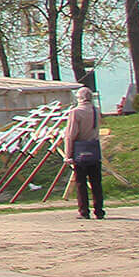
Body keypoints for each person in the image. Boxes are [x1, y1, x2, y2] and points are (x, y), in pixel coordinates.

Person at [62, 85, 105, 220]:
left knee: (81, 182)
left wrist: (68, 154)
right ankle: (99, 210)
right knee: (96, 182)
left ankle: (84, 211)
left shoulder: (75, 112)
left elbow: (70, 134)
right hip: (94, 148)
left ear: (79, 98)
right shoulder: (96, 111)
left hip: (80, 149)